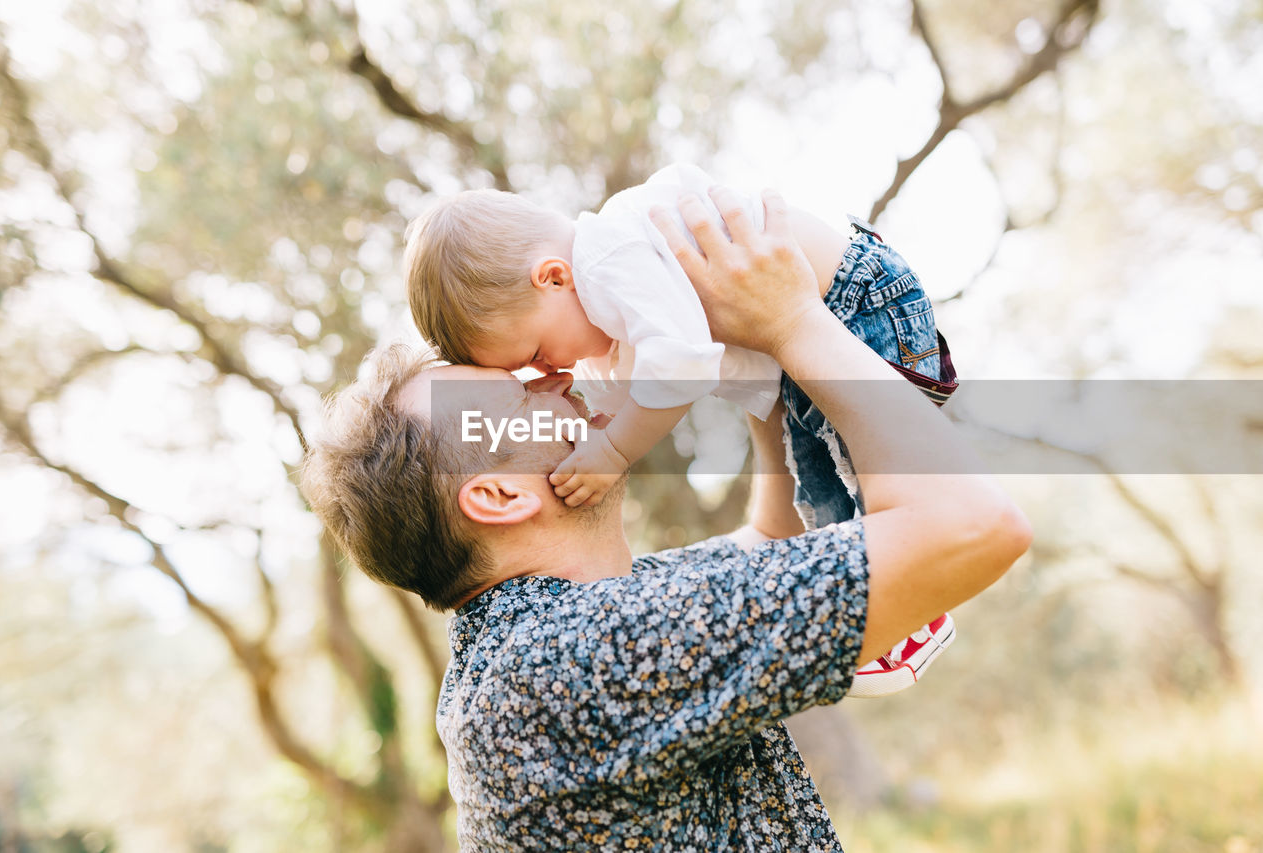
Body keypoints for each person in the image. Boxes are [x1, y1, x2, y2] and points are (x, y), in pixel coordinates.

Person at [300, 187, 1032, 850]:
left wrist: (759, 377)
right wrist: (795, 321)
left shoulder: (552, 637)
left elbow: (769, 548)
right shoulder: (570, 660)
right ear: (497, 495)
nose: (556, 387)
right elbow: (975, 524)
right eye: (523, 396)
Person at [404, 163, 959, 696]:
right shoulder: (600, 289)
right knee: (817, 483)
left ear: (554, 277)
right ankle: (886, 608)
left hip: (854, 303)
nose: (553, 375)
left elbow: (682, 365)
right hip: (819, 327)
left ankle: (913, 600)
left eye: (538, 354)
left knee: (856, 467)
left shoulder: (612, 260)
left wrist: (614, 449)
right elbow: (647, 381)